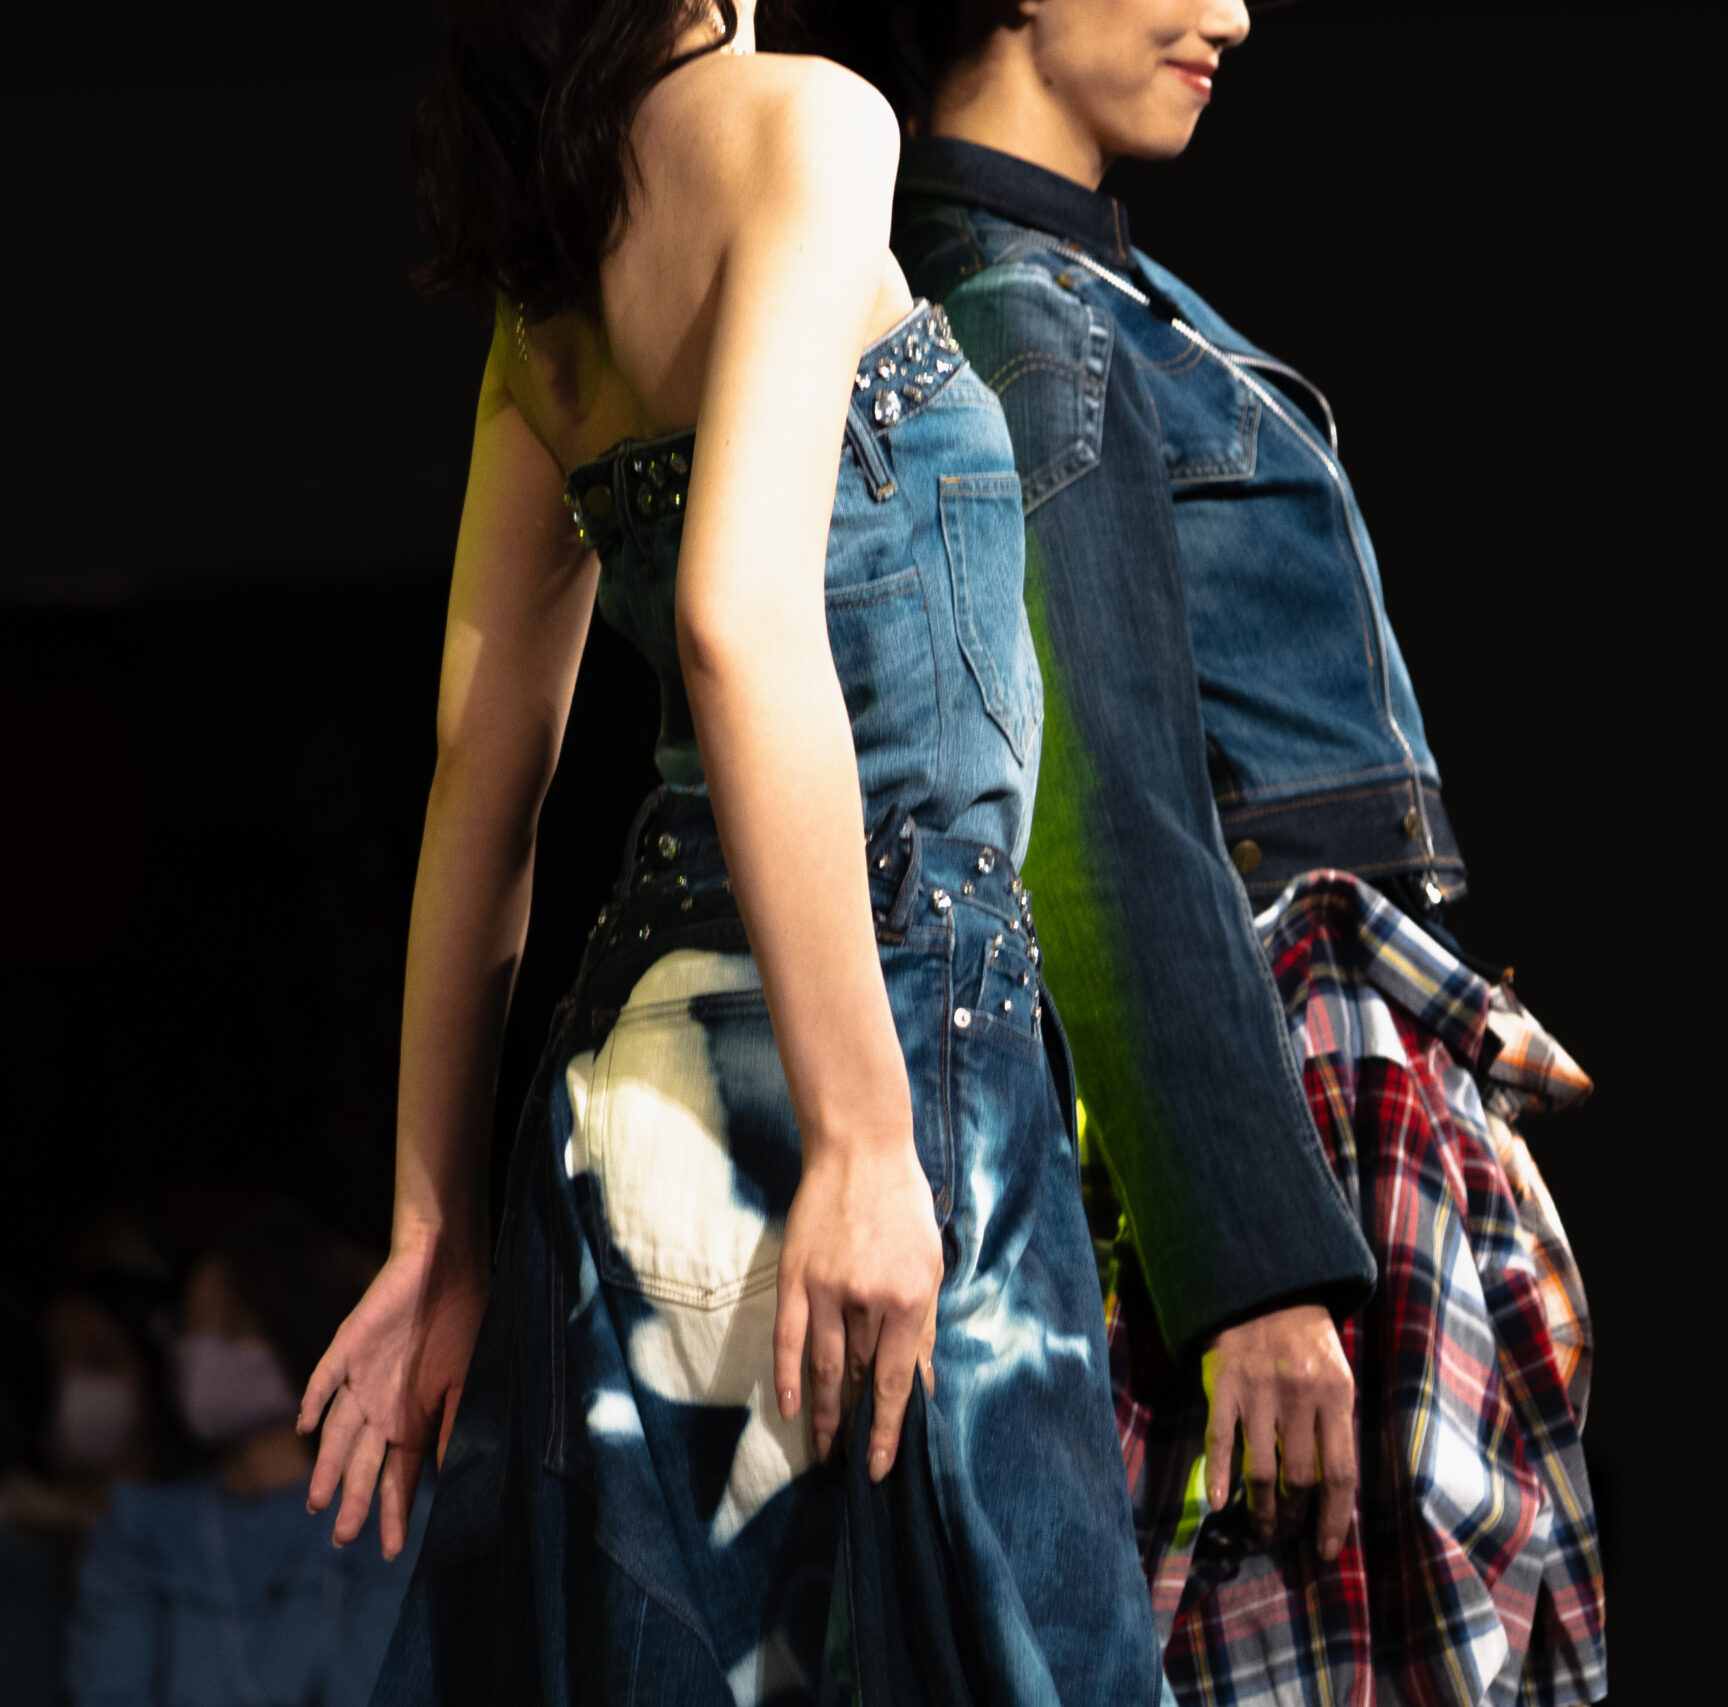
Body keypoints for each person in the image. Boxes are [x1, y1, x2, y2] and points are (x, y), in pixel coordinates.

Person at [292, 1, 1165, 1700]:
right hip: (872, 1022)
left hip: (634, 1082)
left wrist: (431, 1228)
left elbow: (481, 764)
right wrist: (860, 1131)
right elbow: (737, 614)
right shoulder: (806, 123)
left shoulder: (547, 287)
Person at [830, 4, 1610, 1701]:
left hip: (1294, 1094)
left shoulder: (1074, 293)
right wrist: (1252, 1270)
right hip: (1258, 1106)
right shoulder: (1023, 315)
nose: (1236, 14)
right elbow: (1099, 808)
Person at [65, 1204, 417, 1706]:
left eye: (236, 1330)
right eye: (194, 1328)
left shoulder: (395, 1520)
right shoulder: (139, 1529)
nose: (203, 1352)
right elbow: (109, 1688)